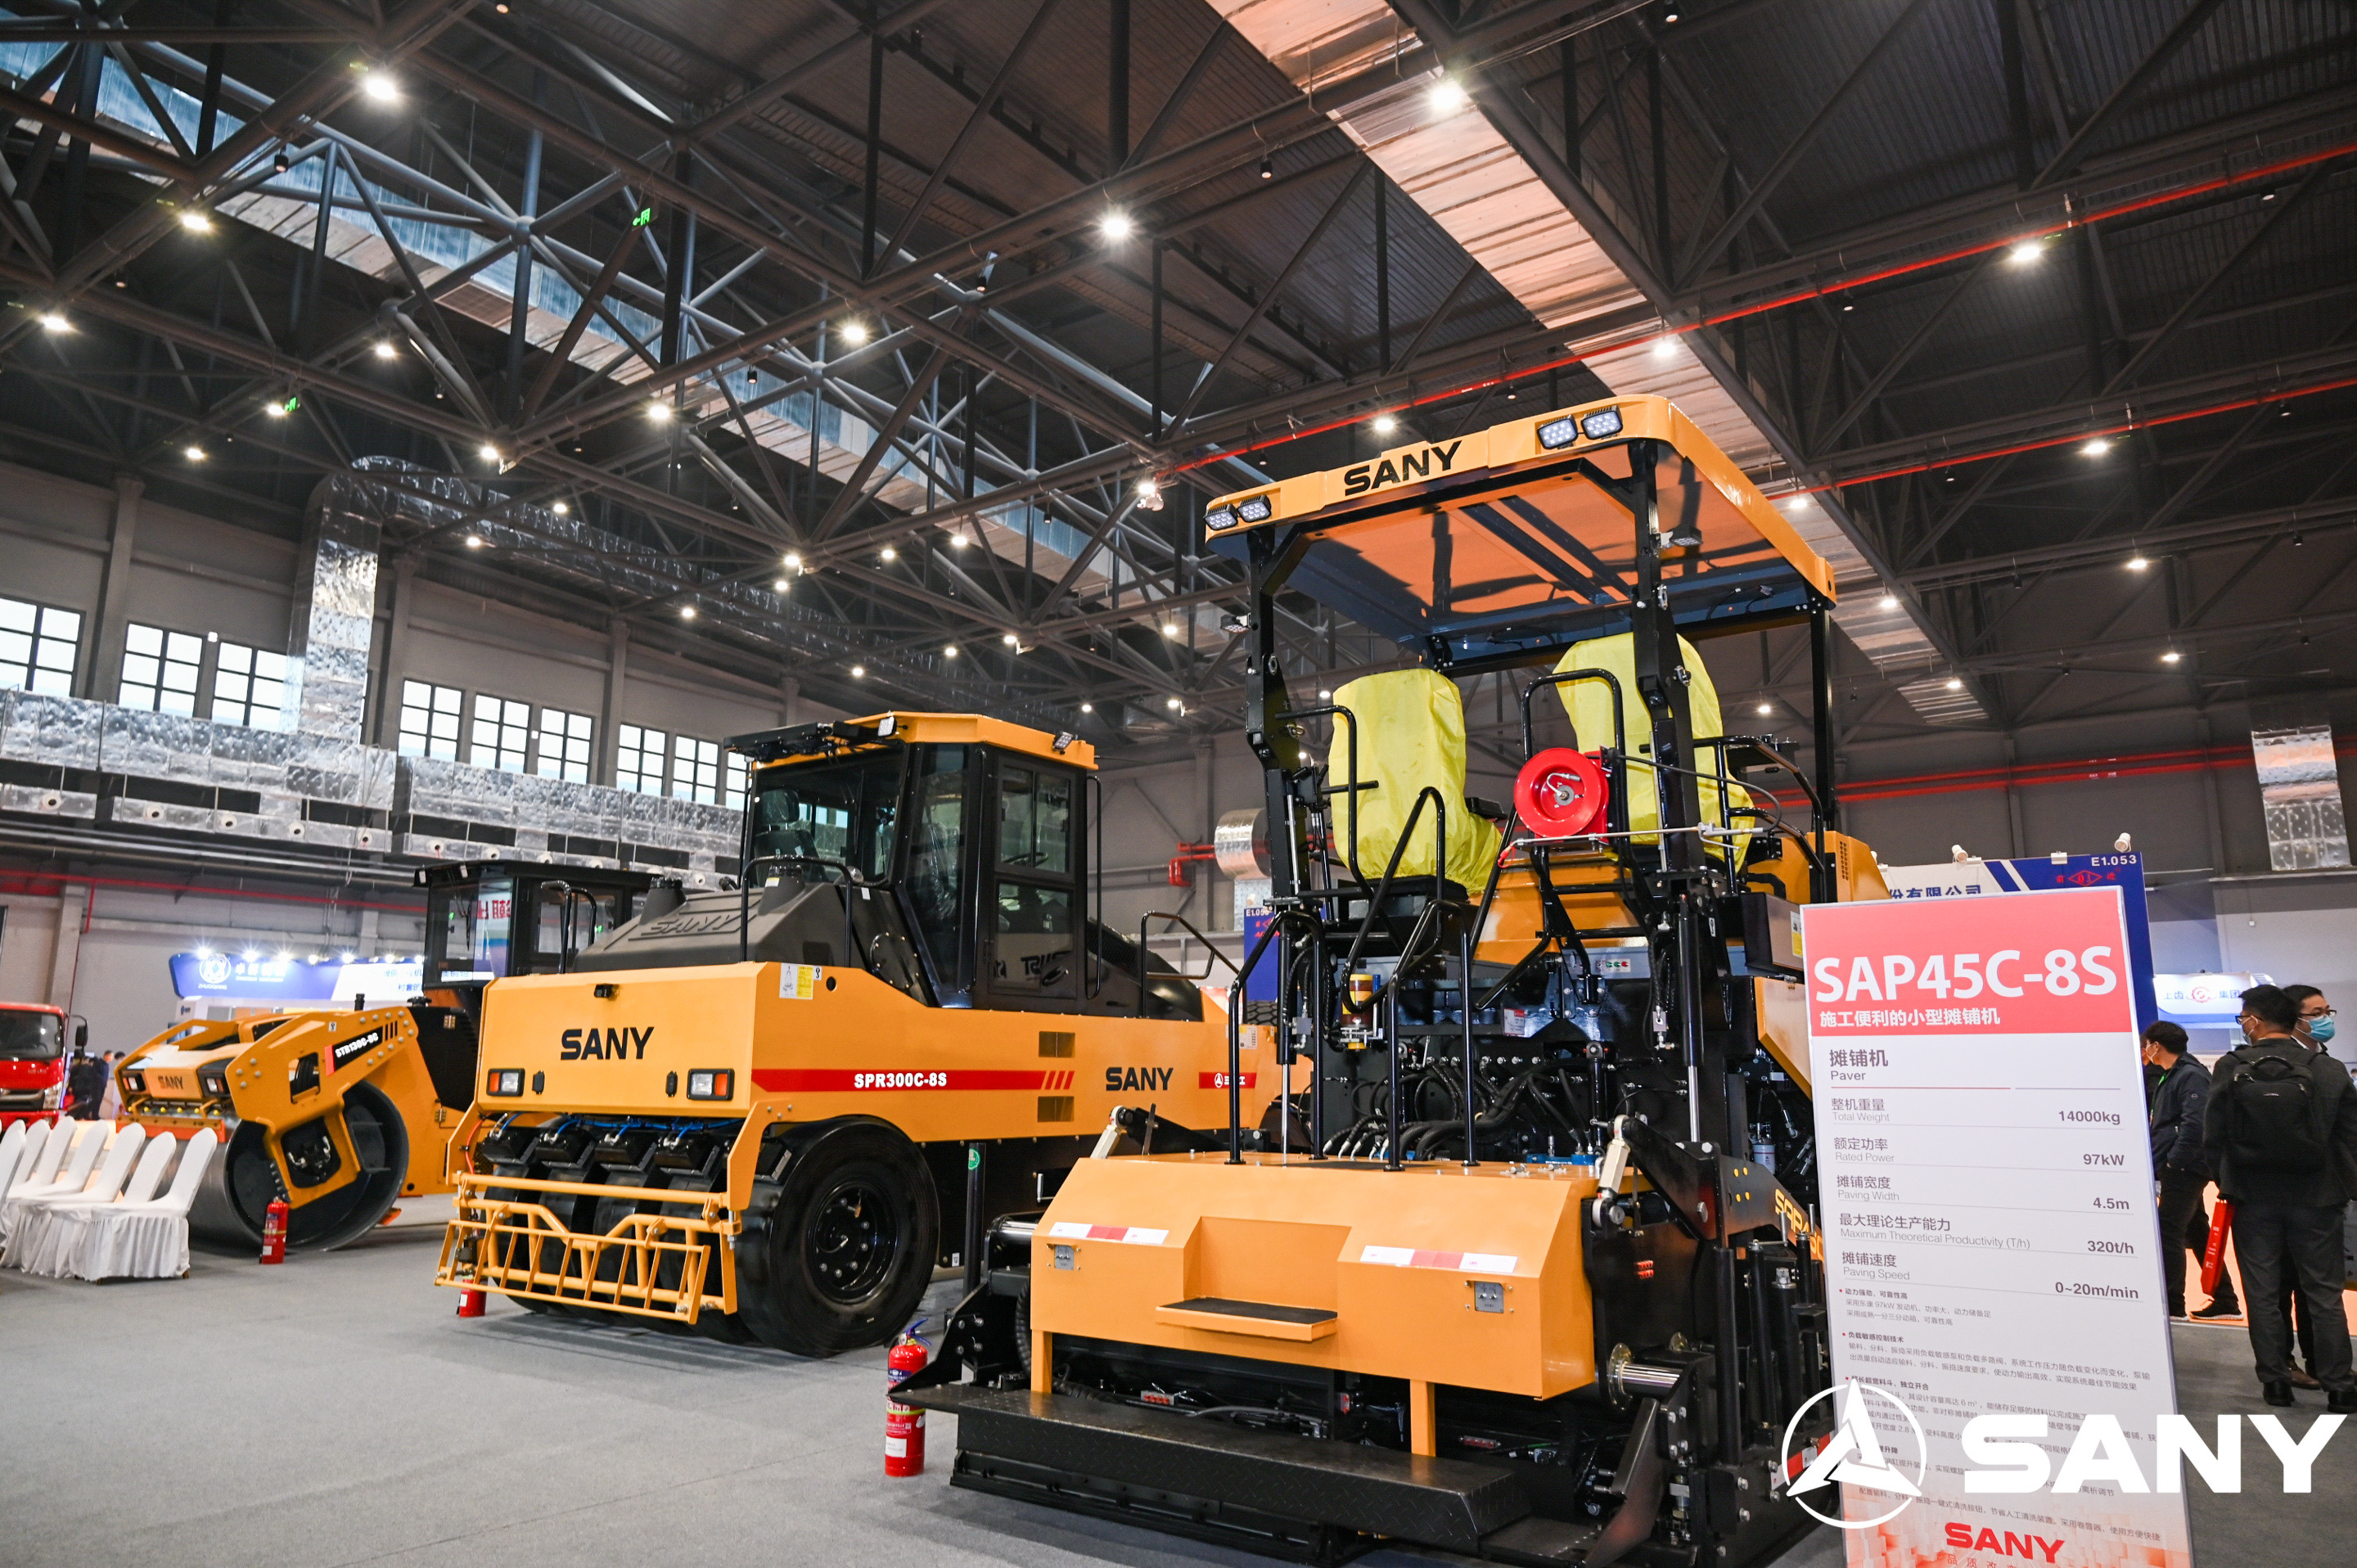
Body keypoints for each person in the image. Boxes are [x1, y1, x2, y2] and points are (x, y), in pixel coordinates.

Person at [2205, 985, 2357, 1410]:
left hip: (2252, 1198)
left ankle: (2275, 1383)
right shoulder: (2328, 1070)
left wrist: (2226, 1183)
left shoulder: (2231, 1067)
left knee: (2262, 1292)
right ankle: (2340, 1387)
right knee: (2323, 1293)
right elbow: (2350, 1137)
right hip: (2317, 1197)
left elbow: (2213, 1136)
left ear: (2254, 1021)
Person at [2145, 1022, 2239, 1319]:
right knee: (2195, 1229)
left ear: (2156, 1046)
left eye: (2148, 1045)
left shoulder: (2189, 1075)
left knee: (2169, 1230)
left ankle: (2173, 1306)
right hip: (2180, 1167)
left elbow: (2195, 1125)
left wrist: (2175, 1162)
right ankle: (2226, 1300)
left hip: (2184, 1168)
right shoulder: (2173, 1074)